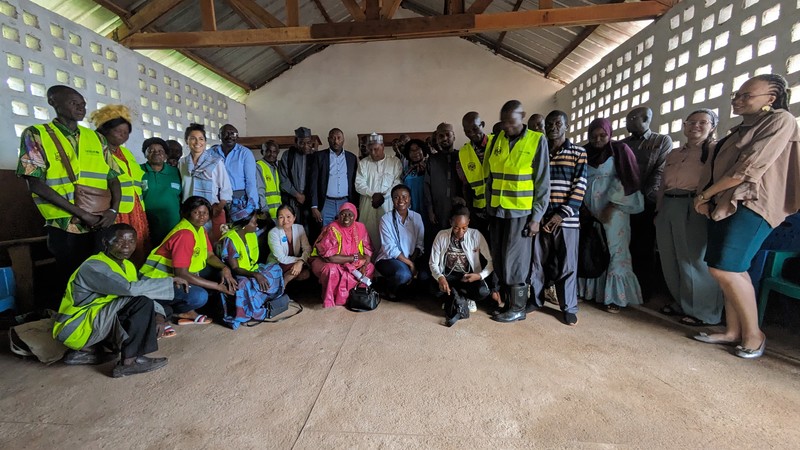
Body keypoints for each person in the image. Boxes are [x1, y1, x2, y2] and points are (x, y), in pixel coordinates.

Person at [692, 74, 800, 359]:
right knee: (729, 268)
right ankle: (733, 331)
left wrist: (703, 196)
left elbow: (748, 168)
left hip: (752, 203)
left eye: (746, 95)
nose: (738, 100)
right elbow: (716, 167)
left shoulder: (781, 121)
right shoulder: (740, 129)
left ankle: (754, 335)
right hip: (724, 201)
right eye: (736, 95)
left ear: (771, 99)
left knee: (726, 269)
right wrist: (706, 197)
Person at [17, 85, 121, 292]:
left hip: (100, 221)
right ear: (53, 102)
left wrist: (113, 210)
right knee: (72, 280)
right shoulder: (36, 134)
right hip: (65, 223)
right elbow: (34, 183)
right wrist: (82, 214)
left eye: (83, 104)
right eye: (74, 103)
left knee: (101, 275)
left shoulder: (97, 138)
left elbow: (113, 178)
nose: (81, 108)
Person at [53, 224, 185, 377]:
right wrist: (169, 281)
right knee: (142, 304)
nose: (126, 246)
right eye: (119, 241)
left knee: (161, 310)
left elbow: (135, 293)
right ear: (105, 242)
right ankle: (129, 362)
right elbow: (130, 290)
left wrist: (159, 315)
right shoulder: (93, 266)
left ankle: (90, 351)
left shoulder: (127, 265)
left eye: (131, 241)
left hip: (97, 320)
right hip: (77, 326)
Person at [655, 109, 724, 326]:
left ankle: (705, 312)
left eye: (702, 122)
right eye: (691, 122)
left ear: (712, 127)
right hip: (669, 205)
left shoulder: (715, 151)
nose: (695, 126)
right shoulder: (674, 153)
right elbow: (663, 184)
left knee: (693, 260)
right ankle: (682, 303)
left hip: (694, 205)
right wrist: (658, 210)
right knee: (671, 258)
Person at [485, 100, 550, 323]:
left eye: (511, 123)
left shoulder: (537, 140)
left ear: (522, 117)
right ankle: (507, 304)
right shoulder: (496, 140)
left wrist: (536, 218)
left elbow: (542, 183)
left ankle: (518, 308)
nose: (507, 127)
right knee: (500, 259)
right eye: (503, 122)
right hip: (497, 211)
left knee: (516, 262)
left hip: (521, 214)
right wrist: (488, 206)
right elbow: (490, 176)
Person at [578, 118, 643, 313]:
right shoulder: (584, 152)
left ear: (610, 134)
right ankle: (591, 292)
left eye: (602, 135)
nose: (598, 139)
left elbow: (630, 179)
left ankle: (614, 297)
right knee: (591, 247)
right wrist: (583, 207)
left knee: (615, 249)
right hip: (588, 210)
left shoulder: (620, 150)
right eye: (593, 136)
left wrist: (612, 205)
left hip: (614, 209)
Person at [529, 110, 587, 326]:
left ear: (566, 126)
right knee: (537, 262)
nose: (553, 127)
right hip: (540, 219)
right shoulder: (539, 151)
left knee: (567, 265)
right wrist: (540, 216)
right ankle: (535, 300)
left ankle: (568, 307)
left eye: (558, 124)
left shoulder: (578, 153)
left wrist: (560, 216)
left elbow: (580, 187)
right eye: (549, 124)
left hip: (566, 221)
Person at [140, 196, 237, 324]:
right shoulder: (185, 234)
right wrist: (217, 286)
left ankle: (183, 308)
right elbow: (181, 274)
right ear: (187, 213)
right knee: (200, 296)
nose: (202, 217)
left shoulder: (200, 230)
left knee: (219, 274)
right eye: (196, 212)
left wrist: (225, 268)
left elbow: (209, 256)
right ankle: (173, 310)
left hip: (176, 277)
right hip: (157, 282)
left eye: (205, 213)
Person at [622, 106, 673, 299]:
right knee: (623, 245)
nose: (627, 122)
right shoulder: (623, 144)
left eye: (632, 118)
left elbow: (660, 172)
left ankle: (642, 292)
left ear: (645, 119)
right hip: (623, 201)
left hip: (647, 201)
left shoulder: (661, 141)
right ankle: (623, 289)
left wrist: (643, 196)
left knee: (643, 246)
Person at [91, 105, 150, 266]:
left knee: (138, 249)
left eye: (126, 132)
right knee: (118, 250)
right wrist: (112, 210)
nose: (123, 135)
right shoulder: (97, 152)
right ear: (105, 130)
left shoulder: (127, 154)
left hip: (136, 210)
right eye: (118, 131)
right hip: (114, 211)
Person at [217, 210, 286, 329]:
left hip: (254, 269)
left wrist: (257, 273)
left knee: (276, 269)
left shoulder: (251, 234)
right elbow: (235, 268)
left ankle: (263, 301)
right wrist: (256, 275)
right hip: (238, 274)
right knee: (245, 285)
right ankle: (249, 311)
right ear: (244, 225)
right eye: (254, 222)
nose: (256, 225)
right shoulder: (231, 240)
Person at [430, 205, 494, 327]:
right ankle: (452, 297)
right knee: (434, 289)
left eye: (464, 228)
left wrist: (479, 276)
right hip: (448, 275)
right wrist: (440, 277)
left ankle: (463, 297)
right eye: (456, 228)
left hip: (468, 277)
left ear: (468, 222)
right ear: (450, 222)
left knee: (483, 291)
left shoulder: (476, 235)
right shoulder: (442, 236)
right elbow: (433, 263)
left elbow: (491, 261)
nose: (460, 232)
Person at [310, 203, 374, 308]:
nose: (346, 218)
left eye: (350, 215)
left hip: (350, 262)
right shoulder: (333, 228)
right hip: (328, 261)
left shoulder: (360, 227)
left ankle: (357, 297)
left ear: (355, 216)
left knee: (370, 267)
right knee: (332, 270)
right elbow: (330, 257)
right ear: (339, 215)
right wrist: (354, 258)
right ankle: (332, 299)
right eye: (343, 214)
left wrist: (364, 265)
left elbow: (368, 250)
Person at [178, 123, 232, 242]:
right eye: (193, 138)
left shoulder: (216, 162)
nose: (197, 142)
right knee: (193, 242)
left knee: (214, 243)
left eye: (201, 139)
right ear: (186, 141)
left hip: (212, 210)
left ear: (205, 141)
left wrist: (219, 207)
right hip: (190, 212)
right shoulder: (182, 163)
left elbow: (226, 188)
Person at [375, 185, 428, 299]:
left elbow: (419, 244)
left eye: (404, 197)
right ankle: (387, 288)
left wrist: (412, 260)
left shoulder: (417, 217)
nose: (401, 200)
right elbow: (390, 248)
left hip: (411, 257)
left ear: (410, 199)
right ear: (392, 200)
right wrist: (410, 264)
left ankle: (404, 289)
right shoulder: (386, 219)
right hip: (389, 258)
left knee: (424, 275)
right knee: (403, 274)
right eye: (396, 197)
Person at [355, 133, 402, 249]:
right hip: (368, 204)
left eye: (376, 149)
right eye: (370, 149)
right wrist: (373, 195)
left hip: (388, 203)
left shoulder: (394, 162)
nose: (373, 153)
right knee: (367, 235)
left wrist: (383, 196)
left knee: (388, 235)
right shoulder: (363, 163)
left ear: (383, 146)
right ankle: (369, 259)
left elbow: (397, 182)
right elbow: (359, 184)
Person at [310, 128, 358, 227]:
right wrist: (314, 206)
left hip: (345, 202)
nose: (336, 141)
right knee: (326, 232)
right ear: (328, 139)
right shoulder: (319, 156)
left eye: (339, 138)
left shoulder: (351, 158)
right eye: (333, 138)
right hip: (326, 203)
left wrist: (355, 205)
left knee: (345, 231)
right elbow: (313, 182)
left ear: (343, 140)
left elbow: (354, 182)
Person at [210, 124, 259, 219]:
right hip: (216, 199)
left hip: (239, 199)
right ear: (219, 136)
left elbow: (251, 182)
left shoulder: (245, 153)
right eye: (226, 133)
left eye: (233, 134)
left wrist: (254, 206)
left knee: (238, 226)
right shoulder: (210, 153)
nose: (229, 136)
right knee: (219, 226)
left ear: (237, 136)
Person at [140, 137, 182, 246]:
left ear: (166, 155)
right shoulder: (138, 170)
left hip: (173, 225)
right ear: (145, 154)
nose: (156, 153)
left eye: (160, 151)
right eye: (151, 150)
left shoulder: (176, 172)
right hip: (146, 225)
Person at [425, 123, 465, 234]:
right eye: (441, 136)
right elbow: (427, 186)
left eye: (448, 135)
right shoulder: (432, 160)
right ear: (437, 139)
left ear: (454, 137)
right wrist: (430, 210)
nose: (445, 138)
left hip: (460, 207)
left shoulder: (462, 156)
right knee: (440, 237)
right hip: (439, 209)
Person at [457, 112, 491, 235]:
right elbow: (465, 184)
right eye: (467, 131)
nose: (472, 134)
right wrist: (470, 210)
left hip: (498, 206)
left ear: (482, 124)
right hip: (479, 209)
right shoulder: (463, 152)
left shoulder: (496, 144)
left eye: (475, 129)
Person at [279, 126, 316, 227]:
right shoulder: (288, 156)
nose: (305, 146)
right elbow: (283, 178)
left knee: (309, 227)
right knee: (292, 226)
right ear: (296, 142)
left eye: (308, 143)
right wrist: (297, 195)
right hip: (292, 198)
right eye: (302, 143)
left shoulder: (315, 156)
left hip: (310, 199)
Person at [267, 203, 312, 285]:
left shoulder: (299, 228)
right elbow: (281, 258)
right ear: (277, 219)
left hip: (294, 262)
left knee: (306, 274)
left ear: (294, 217)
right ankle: (283, 283)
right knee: (298, 271)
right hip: (278, 263)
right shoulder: (273, 233)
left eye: (288, 217)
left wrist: (301, 262)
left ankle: (284, 281)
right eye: (281, 217)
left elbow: (307, 248)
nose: (285, 220)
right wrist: (300, 261)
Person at [401, 139, 429, 216]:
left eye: (417, 149)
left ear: (423, 150)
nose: (415, 152)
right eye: (411, 150)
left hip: (427, 207)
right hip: (410, 207)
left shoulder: (430, 167)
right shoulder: (405, 170)